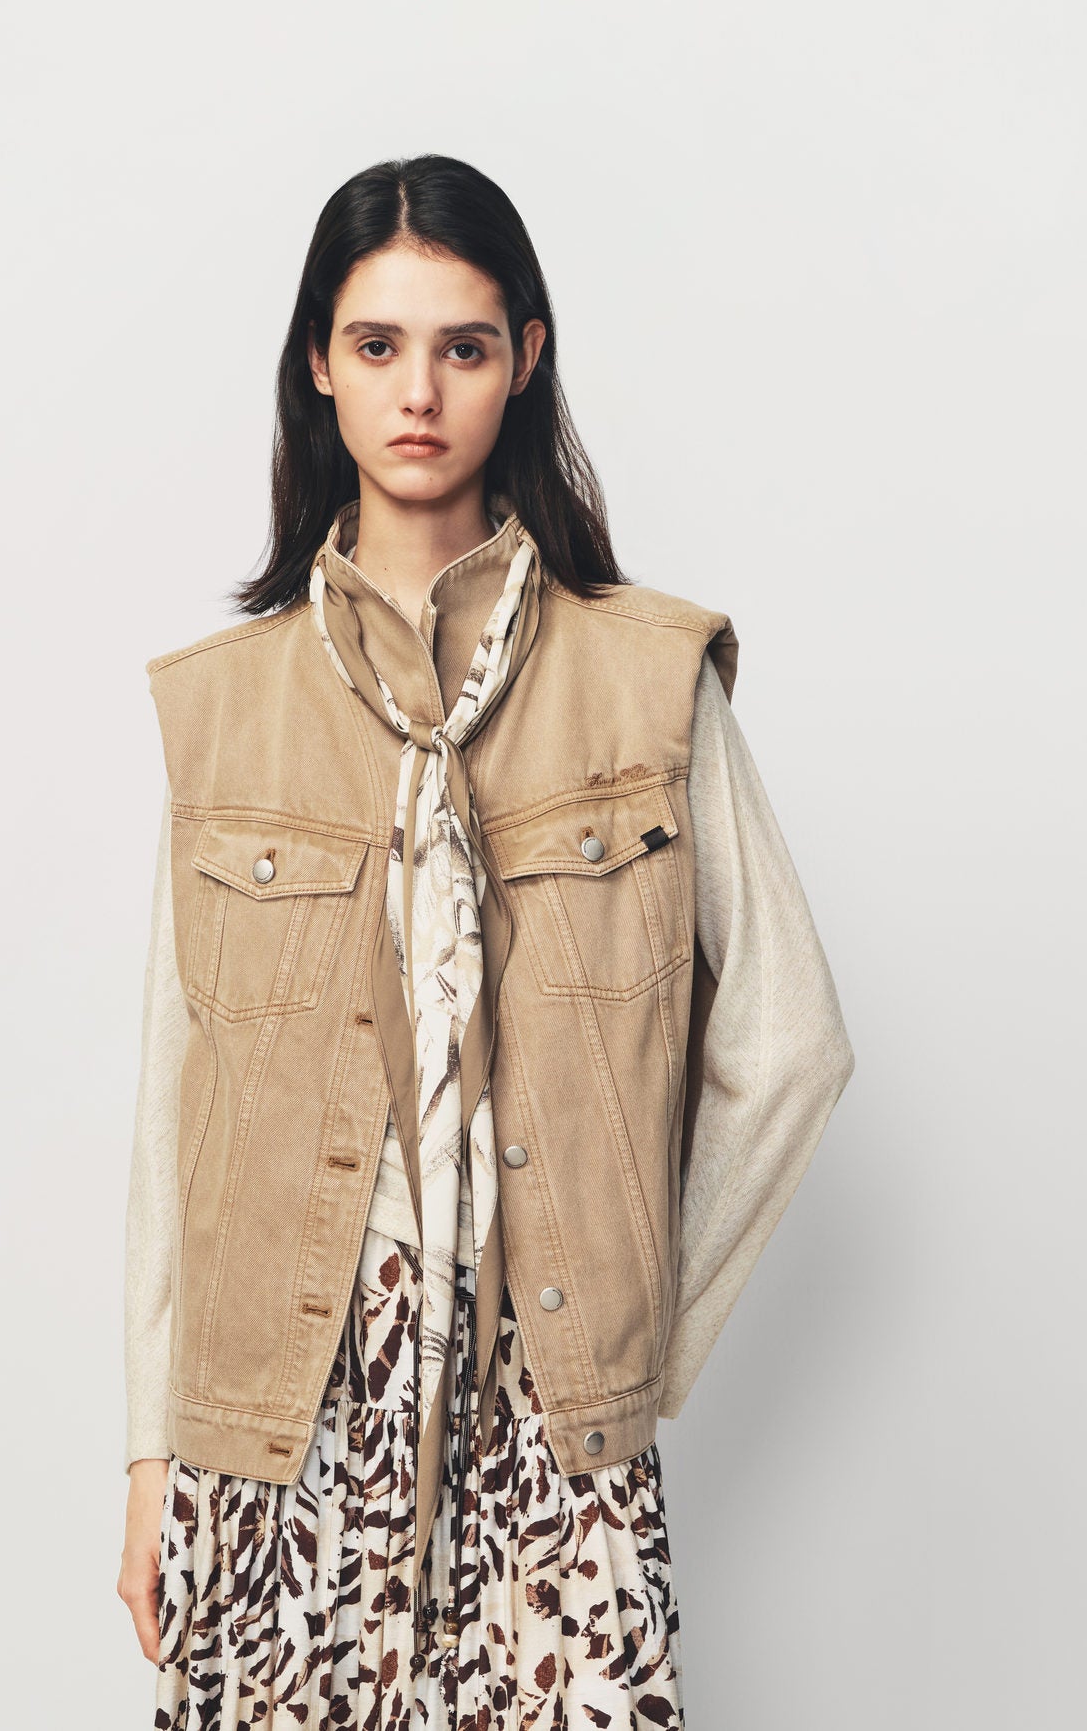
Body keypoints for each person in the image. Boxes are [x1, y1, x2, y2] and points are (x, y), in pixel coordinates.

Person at [116, 153, 855, 1729]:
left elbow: (791, 1043)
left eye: (461, 346)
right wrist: (150, 1454)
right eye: (377, 344)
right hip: (277, 1400)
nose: (418, 392)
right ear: (318, 365)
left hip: (548, 1380)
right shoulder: (225, 707)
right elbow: (180, 1107)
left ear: (525, 358)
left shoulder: (646, 681)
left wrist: (634, 1344)